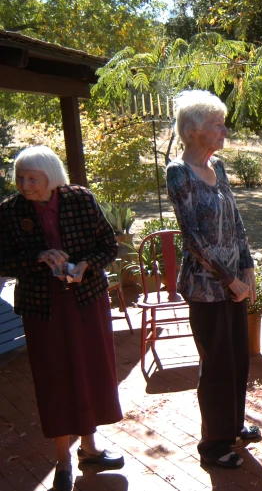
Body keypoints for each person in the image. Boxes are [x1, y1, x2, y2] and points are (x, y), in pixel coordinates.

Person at [0, 146, 124, 491]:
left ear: (51, 177)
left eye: (32, 178)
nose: (24, 184)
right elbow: (3, 261)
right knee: (54, 379)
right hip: (43, 309)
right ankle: (63, 458)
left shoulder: (81, 199)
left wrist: (86, 265)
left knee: (90, 371)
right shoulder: (9, 212)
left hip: (86, 301)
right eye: (20, 178)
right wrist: (38, 257)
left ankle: (89, 448)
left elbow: (108, 245)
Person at [166, 90, 260, 469]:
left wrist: (248, 266)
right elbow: (192, 237)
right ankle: (213, 444)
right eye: (216, 124)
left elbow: (235, 220)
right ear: (192, 131)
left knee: (238, 359)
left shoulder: (217, 167)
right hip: (206, 289)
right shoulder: (179, 172)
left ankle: (233, 425)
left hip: (234, 282)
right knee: (217, 365)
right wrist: (230, 280)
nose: (224, 129)